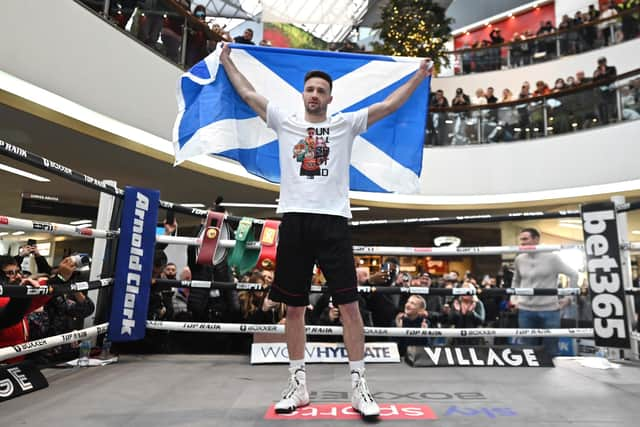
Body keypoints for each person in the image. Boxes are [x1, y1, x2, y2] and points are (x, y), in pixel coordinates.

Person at [219, 42, 432, 417]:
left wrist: (418, 74)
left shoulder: (344, 124)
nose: (314, 94)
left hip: (334, 222)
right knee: (295, 308)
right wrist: (227, 60)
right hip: (295, 220)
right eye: (310, 89)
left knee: (350, 306)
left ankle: (358, 386)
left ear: (330, 97)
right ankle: (298, 384)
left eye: (320, 90)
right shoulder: (285, 121)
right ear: (303, 94)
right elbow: (248, 93)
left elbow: (389, 106)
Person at [510, 228, 579, 356]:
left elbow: (574, 274)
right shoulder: (519, 259)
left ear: (536, 239)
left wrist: (569, 297)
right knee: (528, 351)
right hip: (525, 311)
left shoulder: (552, 258)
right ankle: (530, 377)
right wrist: (514, 299)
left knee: (551, 350)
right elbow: (516, 281)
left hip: (549, 310)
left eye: (525, 239)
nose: (522, 243)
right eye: (521, 240)